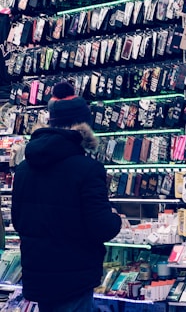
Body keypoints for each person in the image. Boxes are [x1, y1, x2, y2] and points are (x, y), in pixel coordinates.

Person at [12, 82, 122, 312]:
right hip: (75, 276)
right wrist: (115, 217)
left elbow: (19, 221)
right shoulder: (88, 169)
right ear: (83, 126)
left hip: (39, 274)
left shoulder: (23, 168)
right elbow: (102, 226)